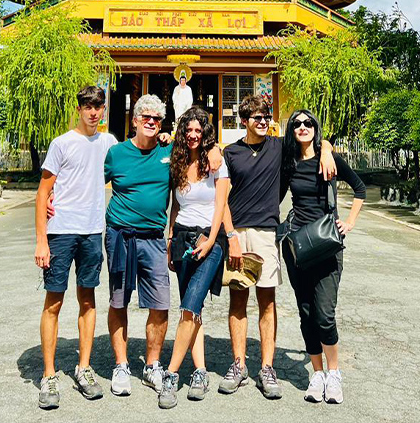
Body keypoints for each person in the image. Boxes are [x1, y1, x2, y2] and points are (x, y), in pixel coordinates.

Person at [103, 94, 222, 398]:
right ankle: (120, 364)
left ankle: (153, 364)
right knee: (119, 301)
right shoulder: (115, 153)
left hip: (155, 239)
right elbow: (90, 183)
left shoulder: (170, 153)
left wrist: (214, 147)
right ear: (135, 120)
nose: (152, 123)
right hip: (120, 235)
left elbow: (198, 146)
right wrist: (54, 198)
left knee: (160, 303)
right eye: (146, 117)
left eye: (157, 119)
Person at [219, 94, 336, 400]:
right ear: (244, 121)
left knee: (267, 300)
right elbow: (221, 197)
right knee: (238, 299)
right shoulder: (231, 152)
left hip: (268, 232)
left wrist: (327, 150)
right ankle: (239, 364)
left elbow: (308, 135)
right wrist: (230, 235)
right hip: (239, 232)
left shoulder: (277, 147)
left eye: (266, 116)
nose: (262, 121)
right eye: (256, 117)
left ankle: (267, 367)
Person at [34, 86, 117, 410]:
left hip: (92, 231)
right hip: (61, 232)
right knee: (53, 301)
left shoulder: (109, 143)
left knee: (88, 299)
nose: (93, 112)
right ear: (79, 109)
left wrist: (166, 138)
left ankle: (83, 368)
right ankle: (49, 374)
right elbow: (43, 192)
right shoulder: (62, 143)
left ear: (104, 110)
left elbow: (138, 152)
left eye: (98, 106)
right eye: (88, 106)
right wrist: (42, 240)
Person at [280, 109, 366, 405]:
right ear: (291, 131)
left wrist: (350, 222)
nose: (303, 127)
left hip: (327, 244)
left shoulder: (328, 158)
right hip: (297, 247)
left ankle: (334, 373)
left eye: (308, 123)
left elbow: (359, 188)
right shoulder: (288, 162)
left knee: (324, 314)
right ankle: (316, 374)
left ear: (316, 128)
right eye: (296, 124)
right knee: (306, 314)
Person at [159, 107, 229, 409]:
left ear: (206, 133)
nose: (193, 135)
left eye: (199, 131)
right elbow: (176, 205)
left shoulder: (216, 163)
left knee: (189, 306)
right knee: (193, 307)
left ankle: (172, 375)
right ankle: (200, 372)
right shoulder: (178, 161)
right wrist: (171, 237)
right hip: (183, 239)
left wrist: (213, 240)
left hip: (208, 241)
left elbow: (221, 205)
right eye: (188, 130)